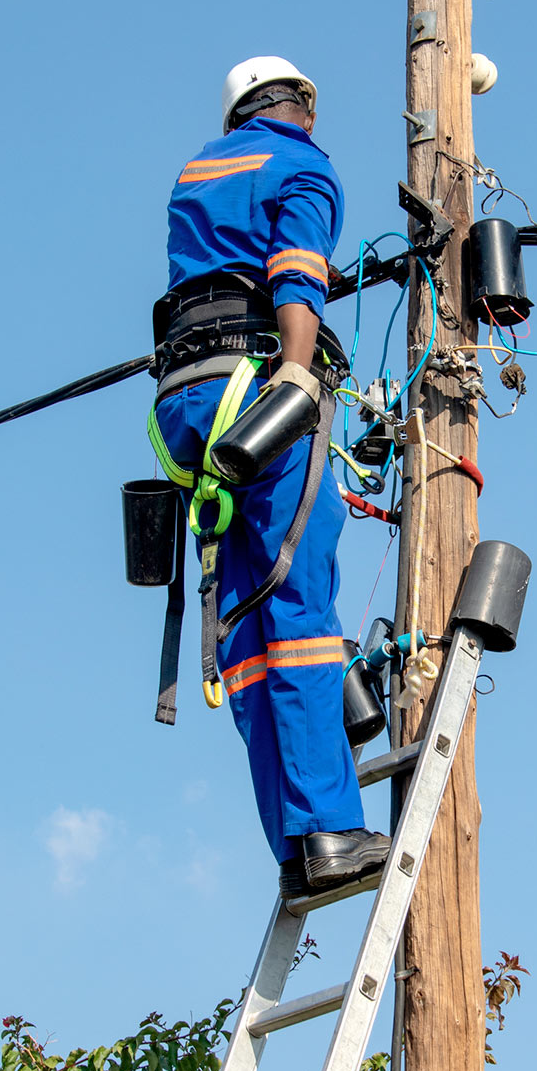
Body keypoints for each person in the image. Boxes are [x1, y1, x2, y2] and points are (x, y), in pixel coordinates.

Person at [147, 56, 390, 902]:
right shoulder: (303, 164)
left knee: (245, 634)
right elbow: (294, 268)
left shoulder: (198, 174)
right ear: (303, 111)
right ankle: (331, 831)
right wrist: (297, 366)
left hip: (184, 406)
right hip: (259, 395)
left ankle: (292, 850)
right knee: (301, 615)